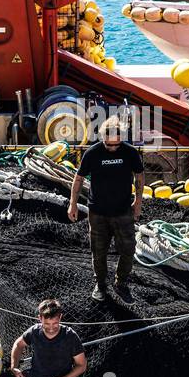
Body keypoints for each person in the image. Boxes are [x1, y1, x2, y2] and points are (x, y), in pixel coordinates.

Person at [68, 119, 144, 302]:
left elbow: (139, 177)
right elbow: (78, 179)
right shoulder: (92, 153)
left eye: (117, 144)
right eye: (109, 144)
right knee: (98, 251)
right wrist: (72, 203)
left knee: (128, 248)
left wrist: (138, 202)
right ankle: (100, 284)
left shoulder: (130, 153)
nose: (113, 148)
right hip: (98, 212)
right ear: (102, 138)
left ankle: (121, 283)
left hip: (123, 211)